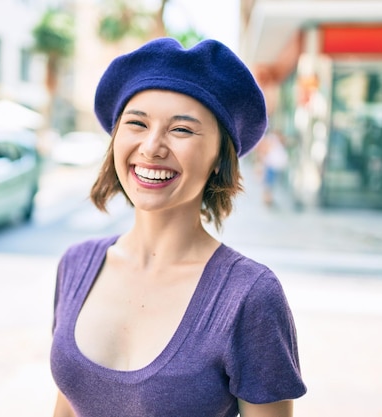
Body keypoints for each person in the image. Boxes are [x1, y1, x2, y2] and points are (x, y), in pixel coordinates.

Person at [50, 37, 306, 417]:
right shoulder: (77, 265)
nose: (152, 147)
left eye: (182, 130)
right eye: (136, 123)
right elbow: (68, 407)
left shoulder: (250, 297)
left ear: (220, 158)